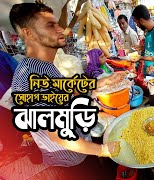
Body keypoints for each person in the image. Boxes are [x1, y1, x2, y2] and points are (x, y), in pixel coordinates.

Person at [9, 3, 119, 178]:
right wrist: (102, 150)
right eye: (50, 25)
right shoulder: (30, 79)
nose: (60, 29)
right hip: (71, 159)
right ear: (28, 33)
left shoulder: (44, 66)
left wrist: (96, 86)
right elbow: (60, 137)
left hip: (82, 146)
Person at [132, 5, 154, 76]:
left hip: (153, 75)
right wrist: (142, 47)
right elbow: (152, 48)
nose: (137, 25)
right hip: (147, 72)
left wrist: (141, 57)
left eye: (136, 23)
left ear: (141, 20)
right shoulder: (148, 32)